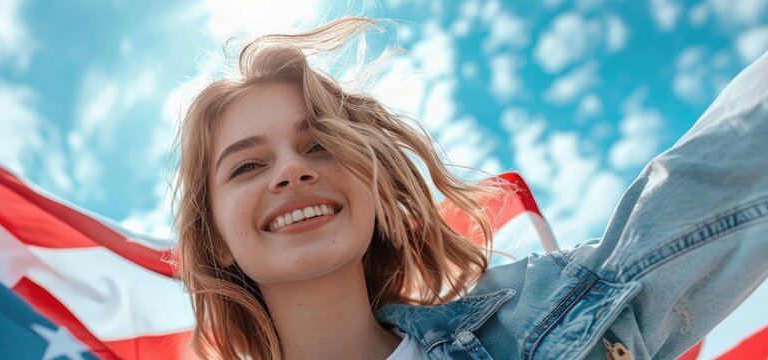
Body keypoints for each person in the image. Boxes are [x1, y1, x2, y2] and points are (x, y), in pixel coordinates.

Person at [171, 17, 768, 359]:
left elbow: (721, 177)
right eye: (246, 166)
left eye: (320, 145)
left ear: (377, 192)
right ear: (216, 239)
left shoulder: (538, 320)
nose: (290, 172)